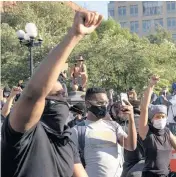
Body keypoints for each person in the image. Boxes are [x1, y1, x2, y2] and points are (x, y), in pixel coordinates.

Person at [1, 10, 102, 177]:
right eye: (56, 95)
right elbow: (34, 94)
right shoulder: (20, 132)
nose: (63, 100)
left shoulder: (66, 136)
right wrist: (74, 35)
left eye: (64, 95)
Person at [139, 75, 176, 177]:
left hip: (168, 174)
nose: (161, 119)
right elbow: (144, 108)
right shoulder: (146, 131)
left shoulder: (167, 132)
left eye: (163, 116)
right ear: (152, 118)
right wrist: (151, 85)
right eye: (158, 116)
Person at [70, 87, 137, 177]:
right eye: (100, 103)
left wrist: (131, 118)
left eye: (106, 103)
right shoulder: (77, 130)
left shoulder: (114, 126)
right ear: (88, 104)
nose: (104, 106)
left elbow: (131, 146)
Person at [162, 83, 176, 147]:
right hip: (173, 121)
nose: (173, 91)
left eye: (173, 89)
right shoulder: (175, 96)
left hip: (174, 122)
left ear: (175, 89)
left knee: (174, 138)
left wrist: (163, 97)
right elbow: (165, 103)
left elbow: (168, 103)